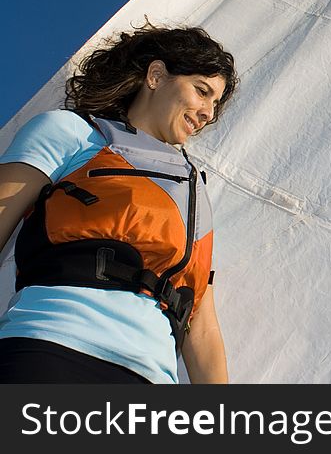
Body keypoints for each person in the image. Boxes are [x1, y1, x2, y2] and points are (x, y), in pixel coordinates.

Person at [0, 23, 238, 383]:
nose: (208, 112)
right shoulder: (71, 133)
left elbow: (201, 322)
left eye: (215, 104)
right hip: (49, 347)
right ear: (156, 75)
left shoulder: (194, 190)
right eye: (201, 91)